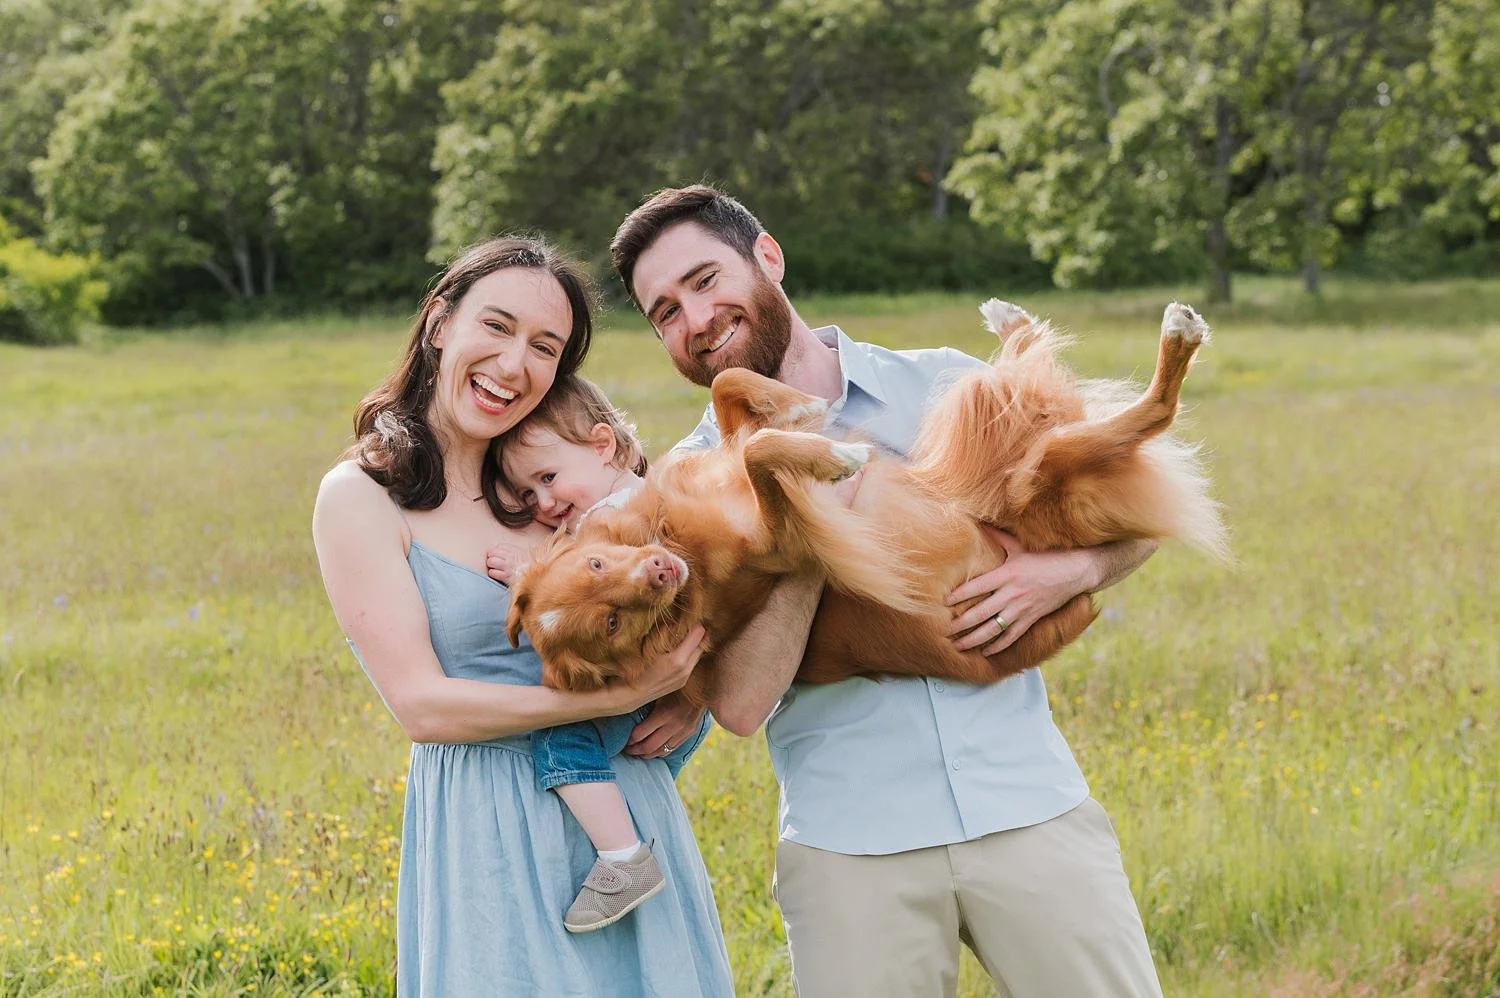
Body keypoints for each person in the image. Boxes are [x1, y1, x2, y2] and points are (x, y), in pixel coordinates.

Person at [610, 186, 1167, 997]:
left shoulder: (944, 384)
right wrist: (803, 534)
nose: (693, 321)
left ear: (767, 256)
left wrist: (1070, 572)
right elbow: (737, 704)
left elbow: (1136, 514)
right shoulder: (689, 489)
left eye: (703, 282)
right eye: (663, 312)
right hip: (851, 853)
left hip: (1029, 807)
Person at [310, 236, 734, 996]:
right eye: (497, 327)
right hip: (488, 830)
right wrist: (606, 700)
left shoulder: (558, 491)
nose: (515, 365)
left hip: (629, 815)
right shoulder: (362, 498)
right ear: (441, 322)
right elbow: (421, 705)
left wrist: (686, 695)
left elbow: (686, 592)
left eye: (546, 346)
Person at [483, 375, 713, 933]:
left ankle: (622, 858)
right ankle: (630, 826)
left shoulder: (620, 515)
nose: (545, 503)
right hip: (679, 694)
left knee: (562, 736)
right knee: (640, 767)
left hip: (664, 684)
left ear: (603, 445)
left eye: (548, 478)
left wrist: (526, 570)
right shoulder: (631, 501)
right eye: (529, 496)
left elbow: (593, 582)